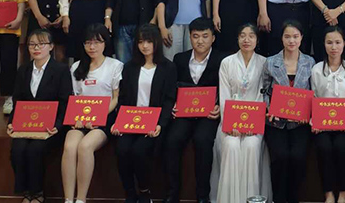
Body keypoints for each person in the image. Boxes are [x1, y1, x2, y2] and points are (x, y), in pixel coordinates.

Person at [163, 18, 227, 203]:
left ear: (213, 38)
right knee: (172, 140)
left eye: (205, 36)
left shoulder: (222, 59)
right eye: (196, 36)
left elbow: (226, 87)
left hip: (209, 114)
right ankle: (172, 193)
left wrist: (220, 107)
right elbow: (173, 87)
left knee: (202, 141)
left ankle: (202, 195)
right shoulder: (180, 59)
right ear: (189, 37)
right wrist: (174, 105)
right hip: (184, 113)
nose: (200, 41)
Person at [112, 24, 177, 203]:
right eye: (140, 42)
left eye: (149, 41)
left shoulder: (168, 67)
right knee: (122, 149)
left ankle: (144, 192)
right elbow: (123, 98)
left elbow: (169, 100)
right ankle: (130, 194)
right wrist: (118, 121)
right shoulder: (130, 67)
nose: (145, 46)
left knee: (139, 151)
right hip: (130, 121)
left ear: (157, 42)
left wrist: (160, 124)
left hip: (153, 123)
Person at [6, 29, 72, 203]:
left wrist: (58, 125)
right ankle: (26, 191)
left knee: (35, 149)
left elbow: (65, 102)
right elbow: (17, 100)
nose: (36, 48)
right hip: (26, 125)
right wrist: (12, 122)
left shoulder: (61, 70)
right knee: (18, 149)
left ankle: (37, 193)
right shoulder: (23, 70)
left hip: (51, 127)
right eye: (32, 44)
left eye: (41, 44)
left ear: (51, 47)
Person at [62, 24, 123, 203]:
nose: (92, 47)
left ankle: (81, 199)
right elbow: (74, 97)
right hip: (80, 118)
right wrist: (77, 118)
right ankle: (68, 199)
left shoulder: (115, 65)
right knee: (70, 147)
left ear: (105, 43)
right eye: (88, 43)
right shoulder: (76, 67)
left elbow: (116, 98)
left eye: (97, 42)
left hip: (105, 117)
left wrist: (98, 117)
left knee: (85, 146)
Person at [215, 23, 270, 203]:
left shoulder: (264, 63)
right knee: (230, 145)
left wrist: (253, 125)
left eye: (251, 36)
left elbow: (263, 97)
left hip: (255, 124)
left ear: (257, 40)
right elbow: (224, 96)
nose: (247, 40)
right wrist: (230, 124)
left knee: (251, 146)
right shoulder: (227, 63)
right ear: (237, 39)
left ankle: (252, 199)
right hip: (230, 123)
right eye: (242, 36)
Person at [263, 21, 315, 203]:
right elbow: (264, 91)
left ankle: (294, 198)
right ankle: (278, 199)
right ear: (281, 38)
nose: (291, 41)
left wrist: (308, 113)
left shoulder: (310, 62)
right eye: (287, 36)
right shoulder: (271, 62)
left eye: (295, 36)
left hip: (300, 123)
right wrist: (269, 108)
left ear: (301, 38)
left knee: (298, 157)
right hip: (276, 121)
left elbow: (313, 92)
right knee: (280, 157)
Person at [310, 26, 345, 203]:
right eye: (329, 43)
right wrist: (315, 121)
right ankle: (328, 193)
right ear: (324, 44)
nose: (333, 47)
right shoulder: (316, 69)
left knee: (342, 148)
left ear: (344, 44)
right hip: (322, 125)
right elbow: (313, 97)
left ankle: (343, 193)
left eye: (337, 42)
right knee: (324, 148)